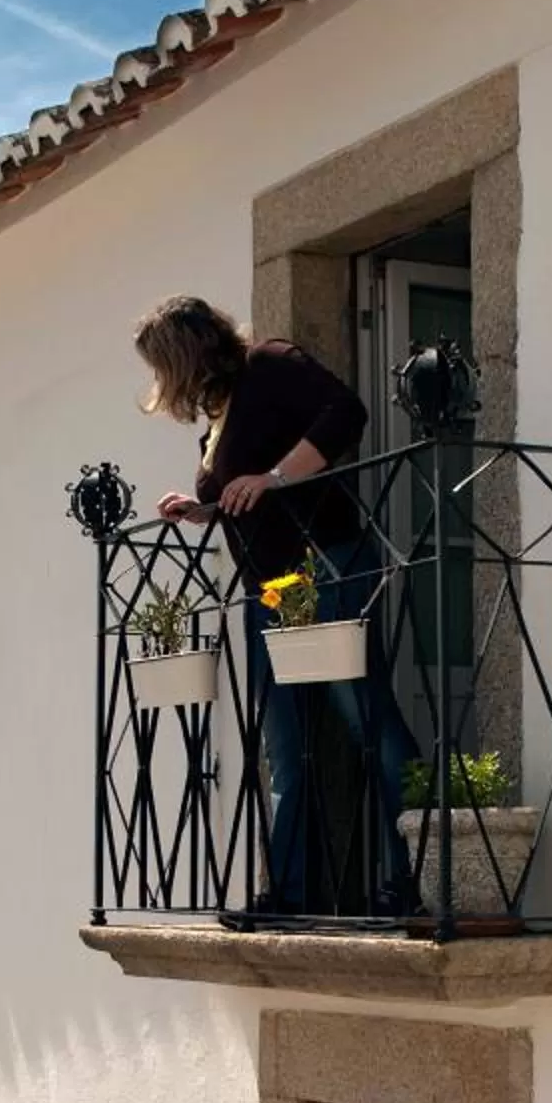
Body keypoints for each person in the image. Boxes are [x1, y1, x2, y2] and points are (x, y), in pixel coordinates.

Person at [135, 294, 416, 916]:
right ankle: (292, 893)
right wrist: (203, 508)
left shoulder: (271, 363)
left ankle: (420, 874)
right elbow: (246, 491)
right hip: (270, 587)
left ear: (188, 354)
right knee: (284, 747)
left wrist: (277, 477)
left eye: (163, 367)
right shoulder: (219, 412)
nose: (163, 384)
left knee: (368, 720)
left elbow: (346, 412)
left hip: (329, 563)